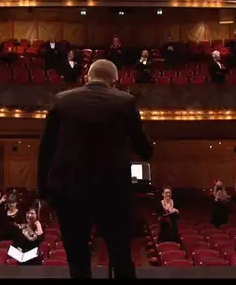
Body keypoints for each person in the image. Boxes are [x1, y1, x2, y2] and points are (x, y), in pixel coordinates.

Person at [37, 59, 154, 279]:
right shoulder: (126, 102)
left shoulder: (62, 101)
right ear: (114, 81)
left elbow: (46, 151)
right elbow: (145, 151)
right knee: (120, 256)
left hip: (69, 190)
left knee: (78, 259)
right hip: (112, 191)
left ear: (87, 78)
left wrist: (43, 195)